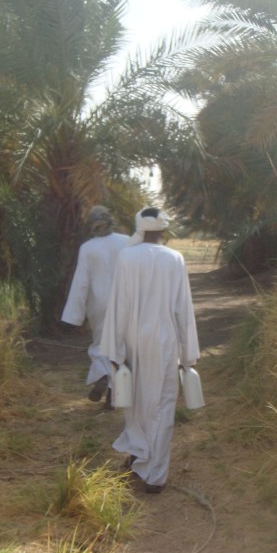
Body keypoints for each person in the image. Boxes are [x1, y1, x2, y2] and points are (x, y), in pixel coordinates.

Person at [99, 207, 200, 493]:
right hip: (166, 342)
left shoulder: (127, 257)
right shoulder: (175, 258)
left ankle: (140, 456)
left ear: (139, 226)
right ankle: (154, 474)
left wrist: (115, 352)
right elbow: (183, 308)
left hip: (134, 340)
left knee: (135, 403)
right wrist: (187, 356)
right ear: (164, 228)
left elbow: (118, 305)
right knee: (163, 403)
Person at [61, 206, 130, 407]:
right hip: (125, 301)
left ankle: (103, 375)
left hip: (98, 304)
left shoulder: (87, 248)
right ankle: (114, 393)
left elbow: (81, 283)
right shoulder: (127, 242)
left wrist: (73, 315)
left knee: (101, 343)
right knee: (122, 345)